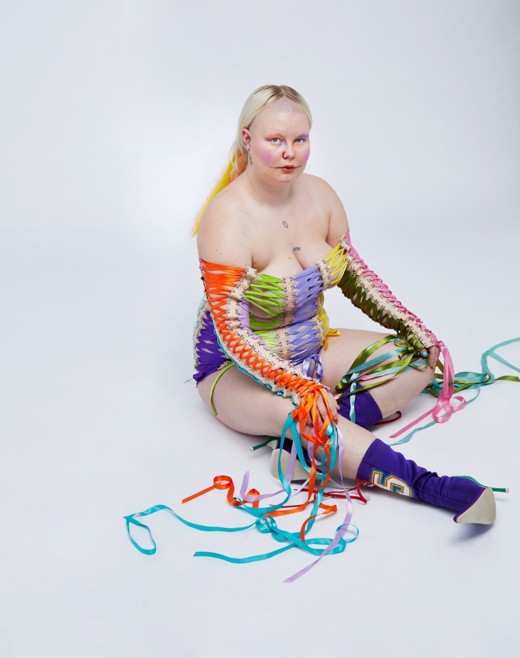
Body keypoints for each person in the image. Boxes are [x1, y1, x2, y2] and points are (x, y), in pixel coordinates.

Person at [192, 84, 496, 526]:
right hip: (234, 370)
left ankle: (303, 449)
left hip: (311, 347)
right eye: (275, 139)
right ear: (247, 139)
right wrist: (301, 389)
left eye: (300, 139)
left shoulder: (321, 195)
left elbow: (356, 277)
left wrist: (413, 327)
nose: (289, 152)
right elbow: (232, 333)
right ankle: (431, 486)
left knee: (418, 358)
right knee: (307, 411)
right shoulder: (226, 217)